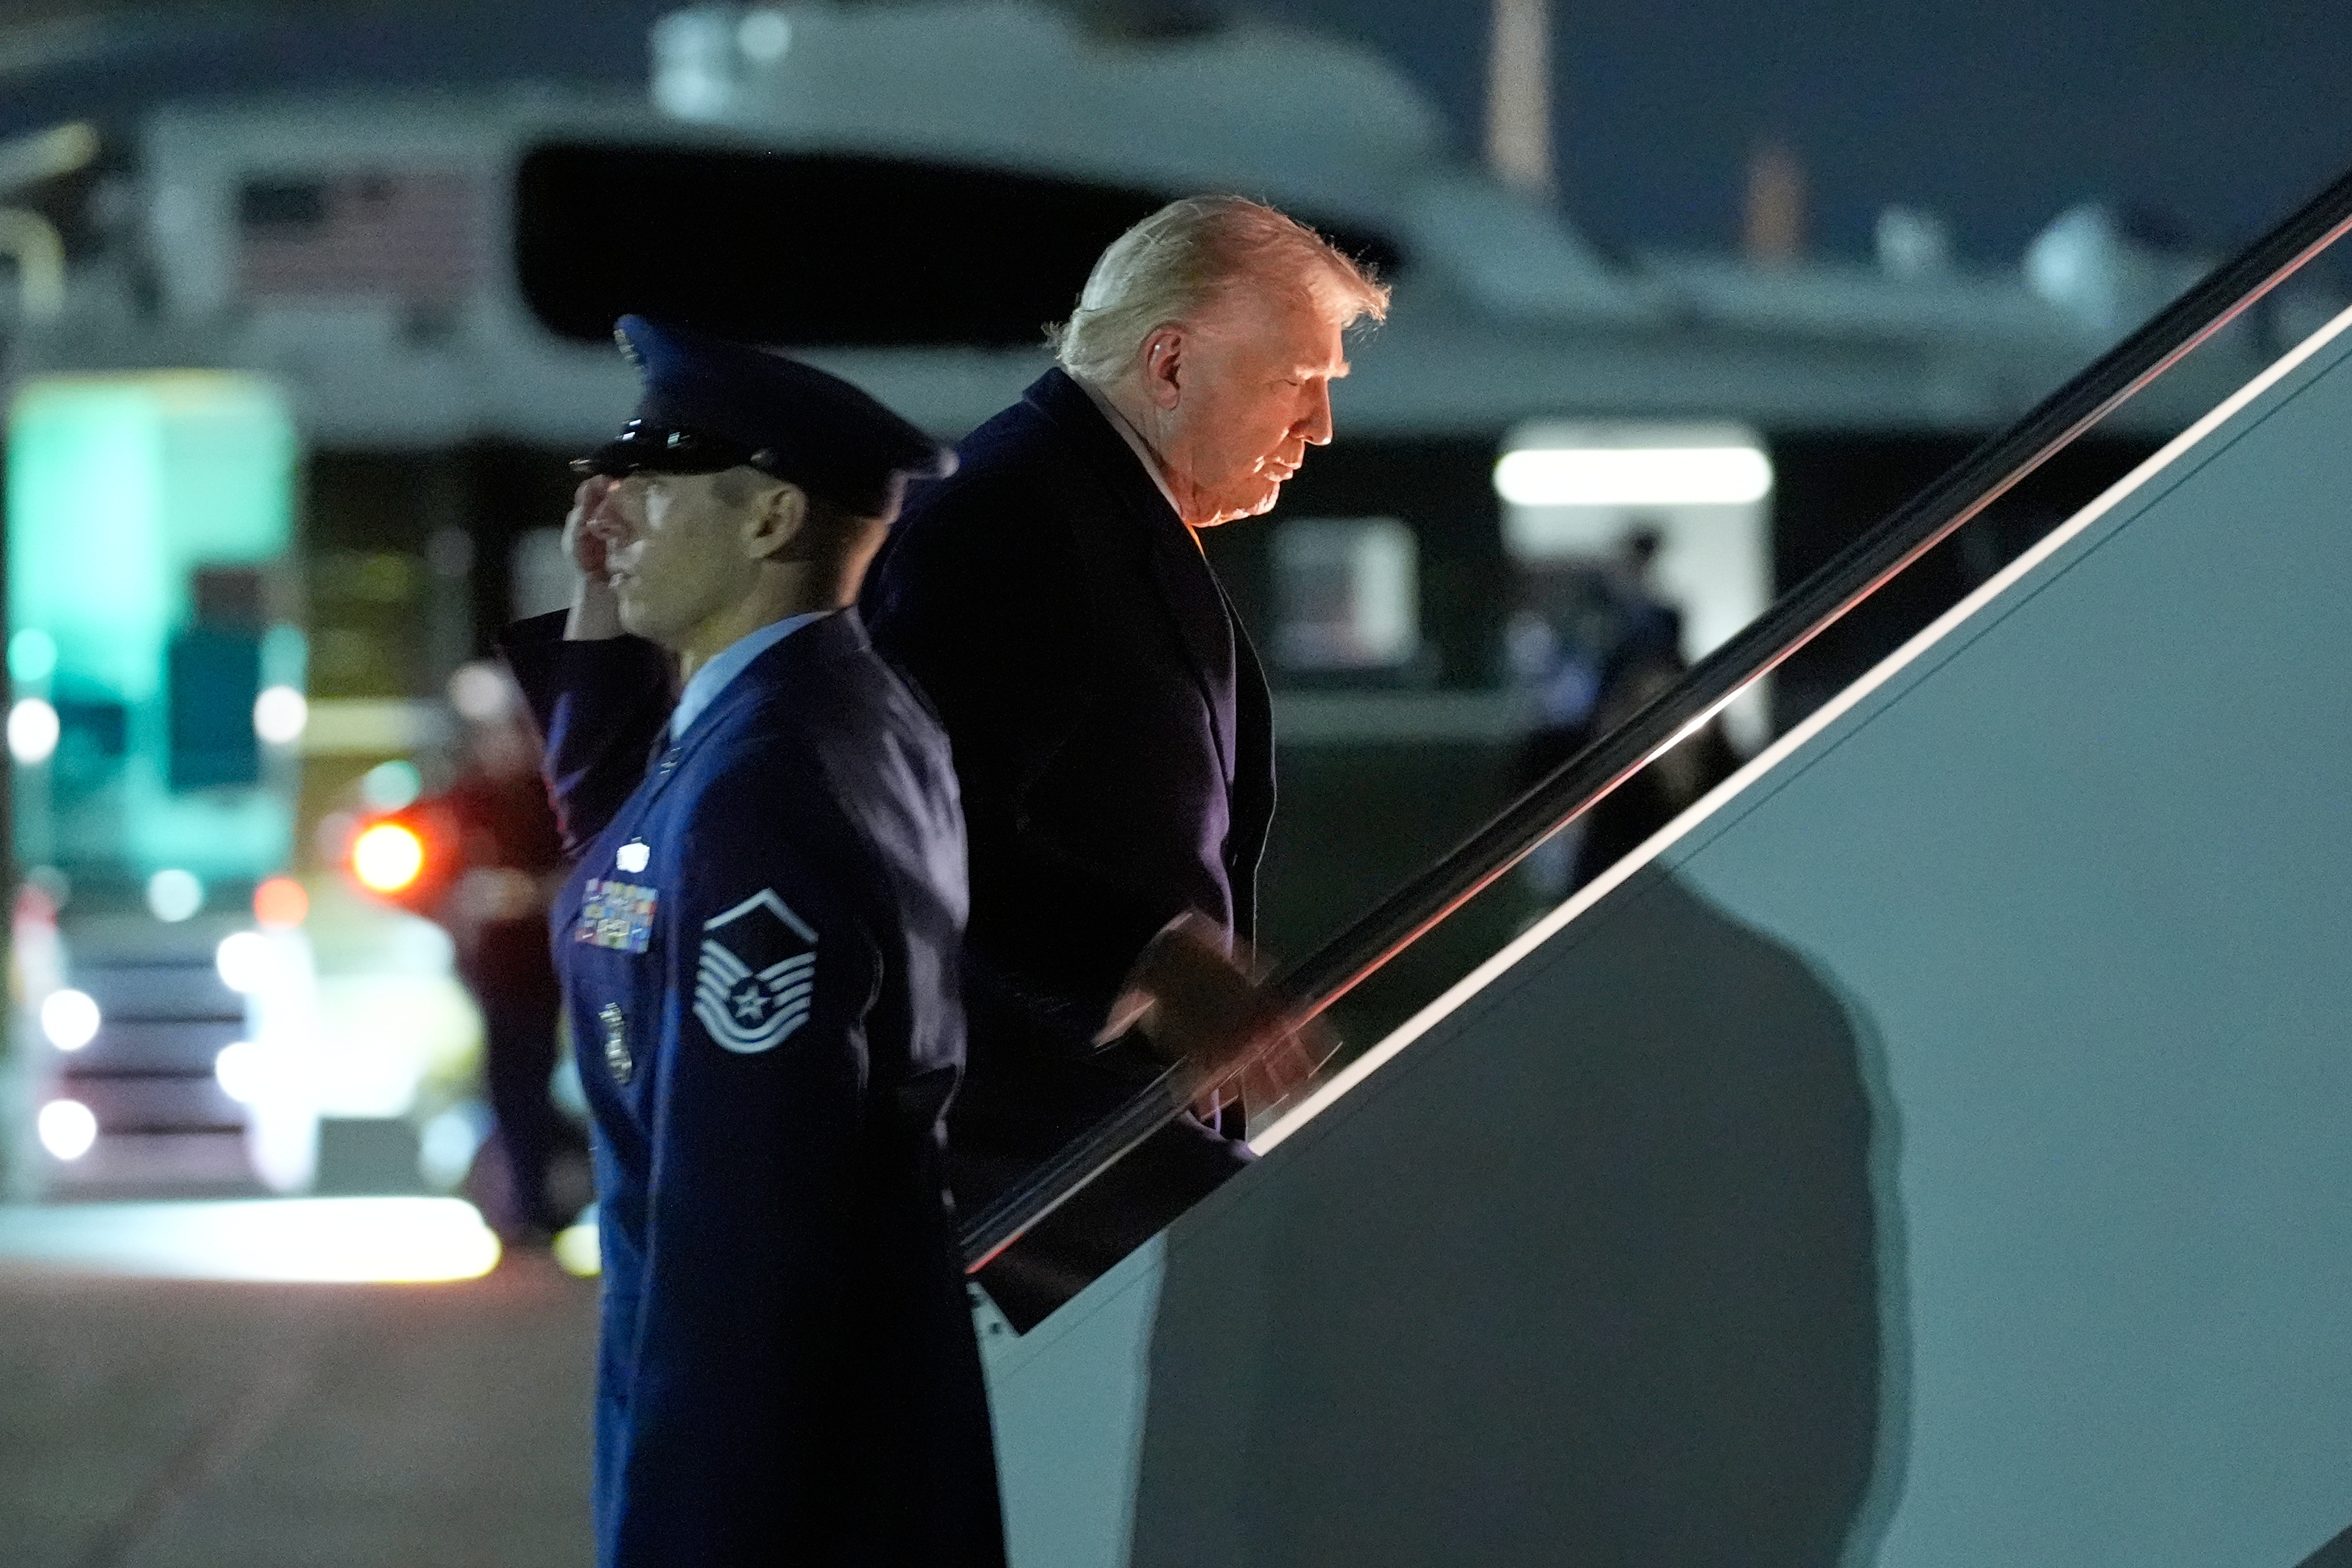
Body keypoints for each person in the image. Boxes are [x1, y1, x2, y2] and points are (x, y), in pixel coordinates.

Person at [499, 315, 1004, 1566]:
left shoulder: (764, 784)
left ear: (770, 521)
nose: (608, 519)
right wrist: (603, 603)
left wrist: (687, 1534)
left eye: (649, 495)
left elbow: (743, 1241)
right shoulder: (815, 711)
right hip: (847, 1443)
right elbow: (624, 838)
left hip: (785, 1485)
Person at [863, 195, 1390, 1327]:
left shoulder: (1082, 503)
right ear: (1169, 362)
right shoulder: (1015, 517)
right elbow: (908, 823)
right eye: (1299, 380)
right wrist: (1148, 955)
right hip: (1026, 1155)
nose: (1321, 427)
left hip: (1080, 1135)